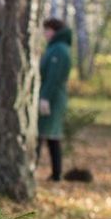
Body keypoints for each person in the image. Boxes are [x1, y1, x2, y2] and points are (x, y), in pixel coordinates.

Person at [37, 17, 73, 182]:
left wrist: (45, 97)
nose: (45, 34)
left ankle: (50, 172)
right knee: (50, 136)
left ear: (54, 30)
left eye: (47, 30)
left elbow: (54, 77)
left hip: (52, 98)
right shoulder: (56, 48)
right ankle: (55, 173)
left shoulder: (59, 50)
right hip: (50, 95)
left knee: (45, 135)